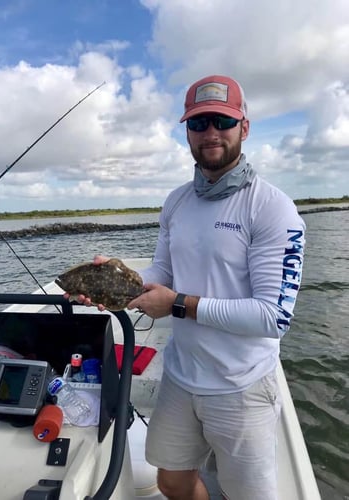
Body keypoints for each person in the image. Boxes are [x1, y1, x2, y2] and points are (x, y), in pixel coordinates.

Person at [77, 75, 306, 500]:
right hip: (181, 378)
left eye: (222, 120)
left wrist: (178, 305)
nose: (210, 133)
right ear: (187, 132)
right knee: (171, 481)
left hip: (243, 385)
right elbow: (162, 270)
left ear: (245, 128)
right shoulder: (177, 201)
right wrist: (115, 279)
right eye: (198, 124)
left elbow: (273, 317)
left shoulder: (272, 207)